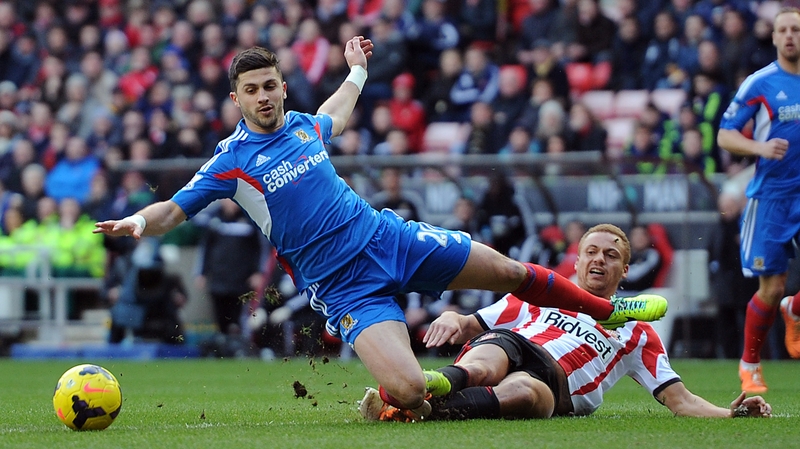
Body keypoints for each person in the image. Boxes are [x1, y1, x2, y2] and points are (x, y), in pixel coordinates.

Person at [94, 37, 667, 420]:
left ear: (282, 88)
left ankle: (605, 310)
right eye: (252, 89)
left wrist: (358, 69)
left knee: (510, 270)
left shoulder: (302, 127)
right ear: (236, 97)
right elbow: (175, 207)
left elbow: (339, 110)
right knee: (411, 389)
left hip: (387, 238)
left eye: (271, 85)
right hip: (343, 287)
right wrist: (138, 221)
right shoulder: (230, 159)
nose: (264, 96)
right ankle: (398, 406)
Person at [358, 224, 772, 422]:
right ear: (578, 260)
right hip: (511, 344)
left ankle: (414, 408)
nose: (599, 260)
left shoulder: (637, 333)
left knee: (523, 395)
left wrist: (731, 414)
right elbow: (469, 324)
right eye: (591, 251)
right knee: (486, 365)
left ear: (625, 271)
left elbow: (680, 400)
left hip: (556, 384)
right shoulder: (538, 296)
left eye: (611, 256)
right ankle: (421, 388)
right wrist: (451, 315)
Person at [717, 7, 800, 394]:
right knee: (772, 287)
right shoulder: (760, 83)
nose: (789, 36)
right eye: (783, 30)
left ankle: (794, 310)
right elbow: (725, 135)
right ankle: (750, 365)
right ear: (774, 37)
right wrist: (759, 147)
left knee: (783, 293)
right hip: (772, 199)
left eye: (796, 30)